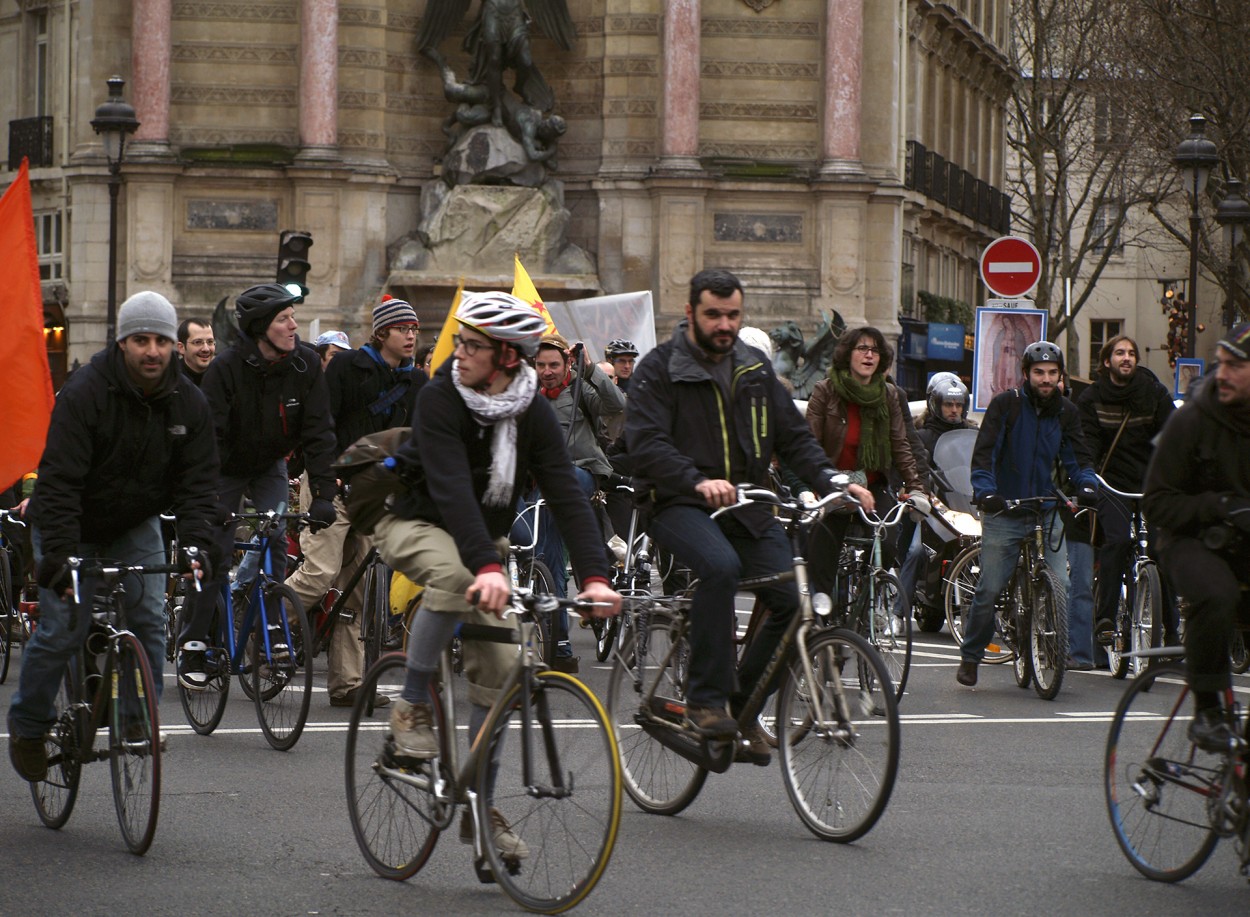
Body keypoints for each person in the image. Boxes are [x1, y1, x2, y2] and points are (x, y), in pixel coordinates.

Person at [372, 291, 619, 858]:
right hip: (417, 521)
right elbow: (454, 490)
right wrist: (486, 565)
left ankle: (480, 808)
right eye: (460, 340)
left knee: (503, 672)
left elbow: (564, 489)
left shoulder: (531, 410)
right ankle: (409, 704)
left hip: (484, 537)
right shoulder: (439, 398)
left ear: (509, 357)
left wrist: (595, 577)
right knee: (456, 577)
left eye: (473, 345)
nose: (459, 352)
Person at [626, 268, 869, 765]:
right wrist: (695, 480)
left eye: (733, 315)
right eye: (713, 314)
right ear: (691, 313)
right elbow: (646, 444)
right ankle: (705, 701)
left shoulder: (754, 367)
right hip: (676, 501)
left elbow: (793, 436)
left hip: (746, 501)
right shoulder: (659, 367)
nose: (724, 324)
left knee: (790, 597)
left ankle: (743, 706)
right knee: (720, 568)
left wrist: (833, 483)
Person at [8, 291, 218, 781]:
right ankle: (29, 725)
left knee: (148, 616)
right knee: (65, 627)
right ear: (122, 342)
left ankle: (134, 721)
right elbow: (59, 481)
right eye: (140, 340)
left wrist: (198, 543)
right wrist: (56, 557)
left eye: (161, 341)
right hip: (69, 521)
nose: (152, 351)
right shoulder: (86, 392)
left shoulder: (190, 402)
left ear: (173, 347)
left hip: (132, 520)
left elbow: (200, 486)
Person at [177, 283, 338, 689]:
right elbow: (207, 438)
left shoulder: (304, 365)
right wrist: (207, 501)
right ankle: (195, 639)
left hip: (269, 463)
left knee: (275, 540)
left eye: (293, 317)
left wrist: (323, 496)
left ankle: (271, 630)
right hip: (224, 466)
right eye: (284, 319)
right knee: (214, 546)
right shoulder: (225, 369)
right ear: (260, 328)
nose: (293, 325)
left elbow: (319, 433)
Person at [285, 299, 426, 706]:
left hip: (373, 494)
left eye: (414, 328)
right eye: (402, 328)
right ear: (382, 332)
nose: (411, 335)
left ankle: (346, 685)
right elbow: (322, 427)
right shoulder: (348, 368)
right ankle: (272, 627)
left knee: (358, 591)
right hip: (332, 483)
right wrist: (328, 485)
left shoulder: (416, 383)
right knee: (320, 572)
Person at [956, 340, 1097, 687]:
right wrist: (986, 490)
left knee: (1060, 582)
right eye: (1039, 373)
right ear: (1026, 374)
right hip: (1006, 507)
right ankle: (971, 655)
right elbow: (985, 455)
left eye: (1052, 373)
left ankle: (1051, 646)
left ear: (1061, 375)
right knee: (990, 587)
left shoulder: (1066, 412)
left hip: (1046, 507)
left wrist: (1087, 484)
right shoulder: (1006, 406)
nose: (1046, 379)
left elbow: (1077, 460)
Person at [1142, 324, 1250, 752]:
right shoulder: (1192, 419)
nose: (1222, 373)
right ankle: (1206, 712)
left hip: (1244, 543)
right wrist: (1220, 506)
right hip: (1188, 539)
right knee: (1216, 594)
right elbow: (1157, 502)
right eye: (1221, 363)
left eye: (1235, 366)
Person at [805, 326, 926, 635]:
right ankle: (821, 622)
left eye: (874, 350)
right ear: (848, 354)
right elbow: (808, 446)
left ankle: (869, 596)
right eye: (861, 348)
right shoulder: (825, 391)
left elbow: (901, 444)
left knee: (887, 539)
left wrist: (916, 488)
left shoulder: (888, 395)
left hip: (872, 487)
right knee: (823, 553)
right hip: (832, 485)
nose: (869, 354)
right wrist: (810, 489)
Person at [521, 331, 624, 670]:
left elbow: (616, 407)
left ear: (567, 363)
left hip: (580, 475)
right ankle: (558, 644)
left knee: (555, 502)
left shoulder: (581, 390)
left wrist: (591, 368)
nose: (547, 371)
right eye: (540, 365)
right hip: (539, 487)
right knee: (545, 553)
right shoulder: (527, 394)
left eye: (554, 364)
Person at [1077, 335, 1177, 650]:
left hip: (1151, 482)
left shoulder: (1153, 393)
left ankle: (1171, 630)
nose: (1127, 358)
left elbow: (1171, 435)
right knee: (1116, 542)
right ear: (1107, 361)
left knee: (1163, 551)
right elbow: (1088, 442)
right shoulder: (1091, 398)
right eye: (1120, 353)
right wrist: (1088, 476)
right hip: (1112, 483)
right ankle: (1105, 619)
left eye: (1131, 353)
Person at [176, 316, 216, 386]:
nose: (206, 349)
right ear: (181, 347)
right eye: (198, 342)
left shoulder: (222, 377)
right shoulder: (170, 380)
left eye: (210, 342)